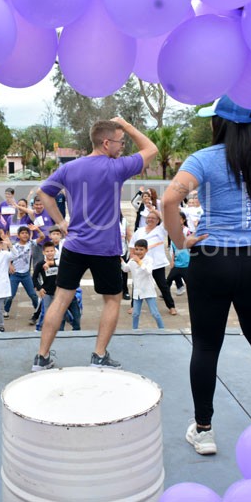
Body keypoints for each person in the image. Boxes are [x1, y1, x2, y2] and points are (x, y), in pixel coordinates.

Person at [161, 96, 251, 456]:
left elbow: (169, 201)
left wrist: (180, 242)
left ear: (217, 123)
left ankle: (204, 431)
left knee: (206, 345)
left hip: (213, 259)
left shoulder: (203, 158)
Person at [31, 117, 158, 371]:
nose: (123, 147)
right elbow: (152, 149)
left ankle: (41, 358)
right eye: (120, 142)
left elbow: (44, 193)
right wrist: (128, 125)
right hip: (105, 248)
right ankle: (99, 355)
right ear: (106, 142)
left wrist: (60, 222)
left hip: (74, 246)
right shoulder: (116, 168)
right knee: (112, 301)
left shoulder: (70, 168)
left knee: (60, 300)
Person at [130, 208, 177, 316]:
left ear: (157, 220)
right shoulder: (139, 231)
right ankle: (133, 306)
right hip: (141, 263)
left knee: (163, 285)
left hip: (157, 264)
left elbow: (166, 220)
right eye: (149, 218)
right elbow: (132, 246)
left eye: (153, 218)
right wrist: (133, 258)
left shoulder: (161, 230)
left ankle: (171, 306)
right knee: (136, 284)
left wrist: (153, 210)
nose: (150, 219)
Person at [122, 239, 164, 329]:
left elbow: (148, 271)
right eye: (136, 249)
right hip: (137, 291)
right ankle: (135, 330)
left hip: (148, 290)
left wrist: (139, 262)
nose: (138, 252)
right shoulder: (132, 260)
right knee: (135, 314)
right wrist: (120, 260)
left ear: (146, 250)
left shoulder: (149, 260)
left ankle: (162, 329)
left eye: (141, 249)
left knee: (155, 313)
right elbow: (126, 269)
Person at [4, 226, 39, 318]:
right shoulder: (14, 246)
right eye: (22, 233)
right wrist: (10, 265)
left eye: (26, 233)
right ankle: (6, 310)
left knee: (33, 295)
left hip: (26, 275)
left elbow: (42, 237)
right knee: (10, 295)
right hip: (15, 275)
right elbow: (8, 257)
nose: (25, 235)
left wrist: (37, 229)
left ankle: (37, 310)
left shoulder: (31, 244)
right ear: (18, 235)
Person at [167, 211, 190, 296]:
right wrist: (172, 260)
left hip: (186, 262)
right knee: (169, 279)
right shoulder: (172, 231)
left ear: (183, 220)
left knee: (189, 281)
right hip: (177, 262)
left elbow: (189, 244)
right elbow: (173, 248)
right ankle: (165, 293)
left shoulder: (187, 231)